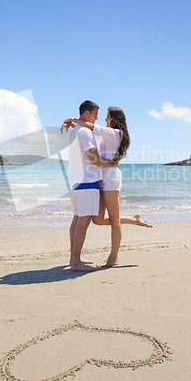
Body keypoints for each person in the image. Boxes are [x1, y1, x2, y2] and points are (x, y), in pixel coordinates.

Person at [61, 106, 153, 268]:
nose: (105, 120)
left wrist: (71, 120)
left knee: (114, 219)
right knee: (97, 219)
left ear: (115, 119)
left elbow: (90, 126)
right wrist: (74, 126)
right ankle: (133, 220)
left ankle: (113, 257)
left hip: (110, 178)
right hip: (100, 178)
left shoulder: (116, 133)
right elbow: (88, 133)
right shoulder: (105, 134)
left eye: (108, 117)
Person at [66, 100, 120, 272]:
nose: (97, 117)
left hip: (77, 180)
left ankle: (74, 257)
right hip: (88, 181)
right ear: (87, 113)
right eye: (96, 113)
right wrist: (111, 164)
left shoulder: (76, 131)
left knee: (76, 219)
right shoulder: (85, 133)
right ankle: (76, 262)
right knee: (83, 221)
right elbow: (93, 158)